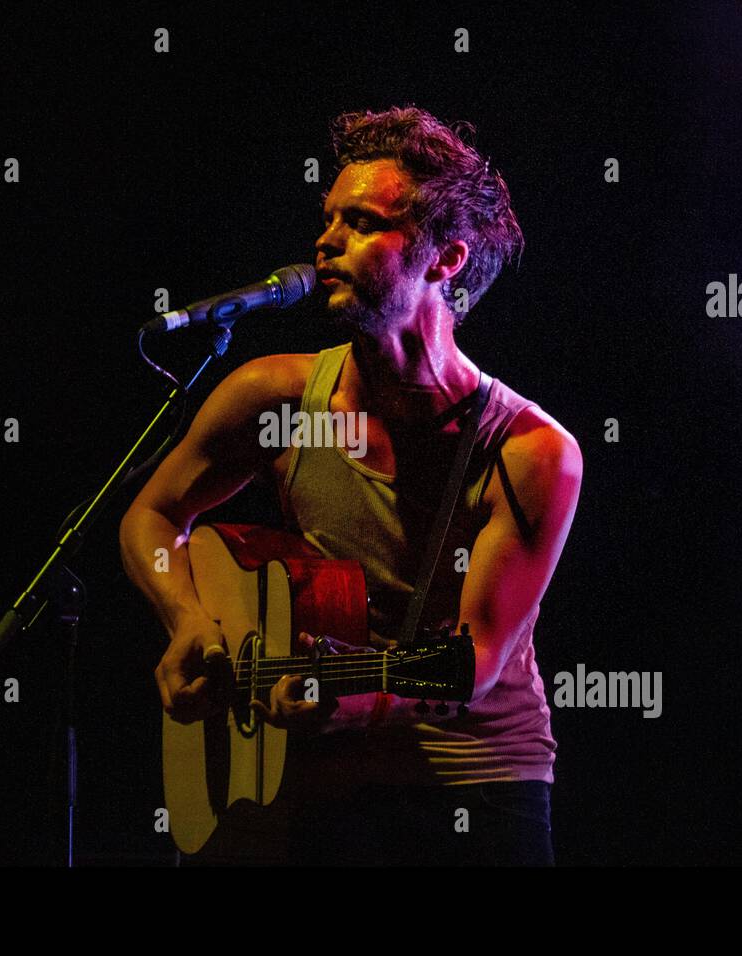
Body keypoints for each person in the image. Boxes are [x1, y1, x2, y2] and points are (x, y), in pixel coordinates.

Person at [120, 105, 582, 865]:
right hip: (306, 777)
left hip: (471, 779)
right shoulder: (272, 397)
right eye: (328, 218)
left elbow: (473, 660)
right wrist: (186, 620)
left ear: (446, 260)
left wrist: (354, 697)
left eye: (362, 222)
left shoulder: (531, 452)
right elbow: (154, 514)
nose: (324, 242)